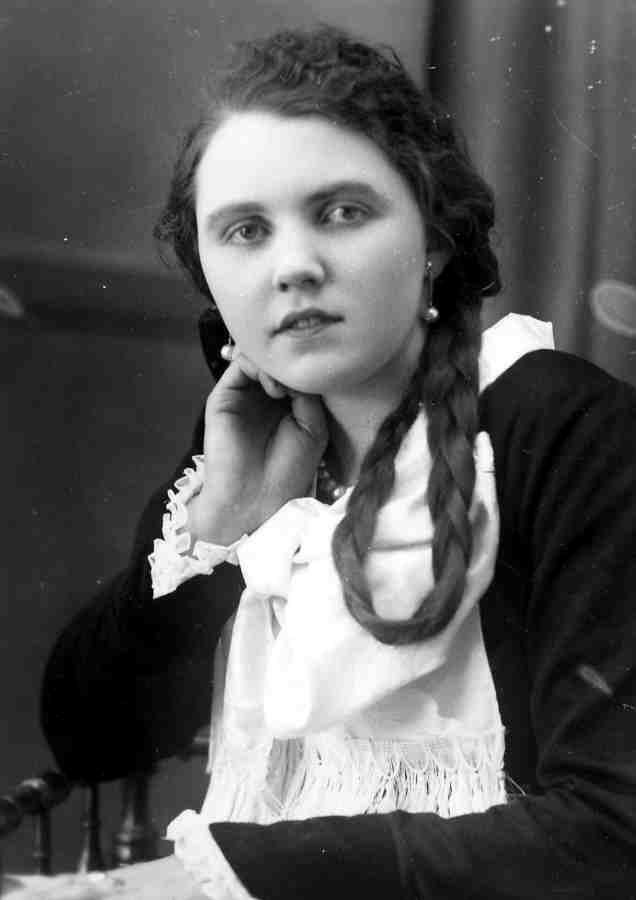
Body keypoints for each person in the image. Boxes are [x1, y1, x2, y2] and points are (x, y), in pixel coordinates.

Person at [40, 25, 636, 900]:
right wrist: (218, 529)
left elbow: (616, 833)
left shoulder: (563, 430)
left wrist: (219, 879)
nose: (294, 267)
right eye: (245, 230)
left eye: (342, 213)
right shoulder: (251, 440)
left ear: (434, 239)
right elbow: (91, 741)